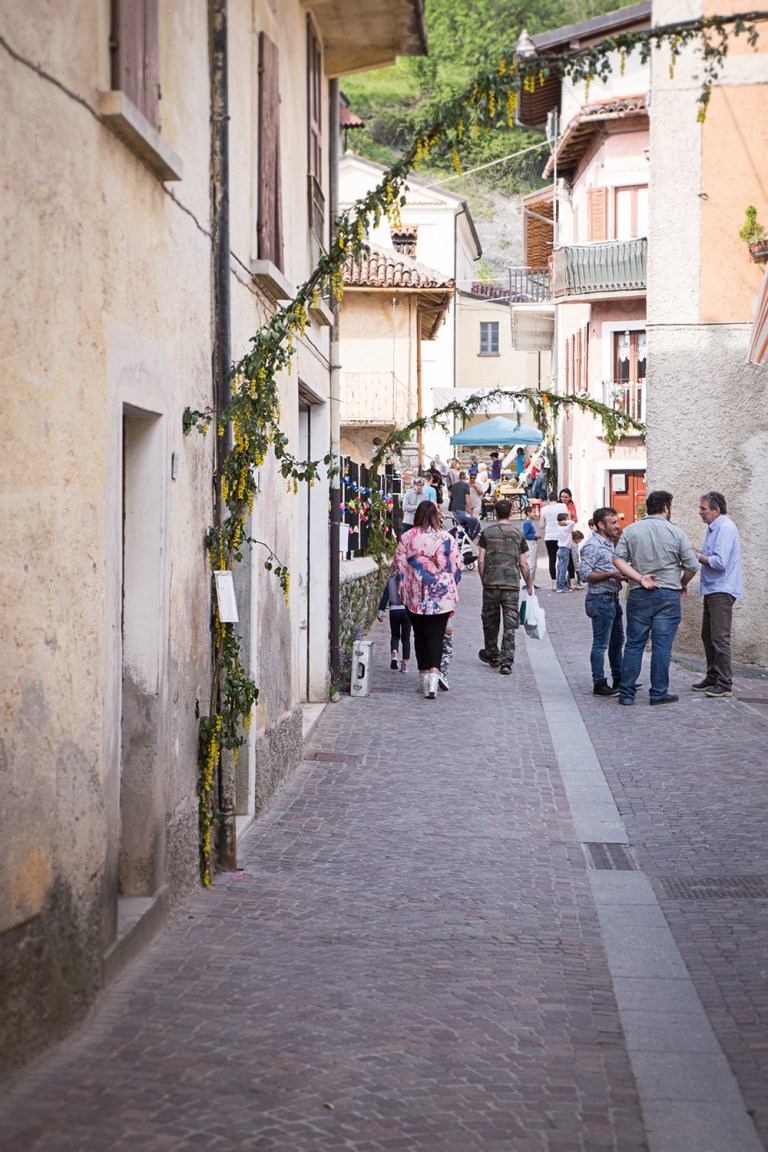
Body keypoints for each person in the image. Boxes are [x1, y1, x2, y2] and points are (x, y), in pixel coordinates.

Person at [612, 489, 699, 706]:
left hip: (640, 593)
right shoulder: (676, 532)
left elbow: (617, 559)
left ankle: (627, 693)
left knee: (634, 645)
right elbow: (692, 565)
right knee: (662, 647)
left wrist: (640, 577)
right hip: (668, 593)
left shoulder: (631, 530)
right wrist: (683, 584)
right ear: (666, 507)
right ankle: (658, 693)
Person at [394, 500, 462, 699]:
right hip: (442, 594)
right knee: (436, 635)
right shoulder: (446, 537)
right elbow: (457, 565)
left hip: (415, 594)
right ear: (436, 517)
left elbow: (399, 564)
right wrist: (450, 583)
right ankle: (434, 676)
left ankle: (424, 678)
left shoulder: (408, 536)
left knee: (420, 634)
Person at [691, 490, 743, 698]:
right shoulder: (715, 528)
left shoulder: (724, 528)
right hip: (713, 589)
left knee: (720, 638)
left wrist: (695, 555)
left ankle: (725, 682)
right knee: (708, 635)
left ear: (716, 510)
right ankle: (712, 677)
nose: (700, 512)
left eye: (703, 509)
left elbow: (719, 562)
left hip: (721, 589)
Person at [477, 500, 535, 674]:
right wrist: (529, 584)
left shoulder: (487, 533)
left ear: (495, 512)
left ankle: (492, 653)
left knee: (490, 621)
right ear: (511, 512)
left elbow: (481, 560)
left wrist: (484, 579)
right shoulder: (517, 534)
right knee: (510, 624)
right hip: (511, 585)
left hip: (491, 583)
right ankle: (506, 661)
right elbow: (523, 563)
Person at [579, 507, 626, 696]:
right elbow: (585, 574)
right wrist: (611, 574)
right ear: (600, 525)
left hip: (613, 598)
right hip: (600, 599)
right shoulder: (593, 545)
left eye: (617, 521)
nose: (617, 525)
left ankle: (619, 679)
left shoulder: (611, 543)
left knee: (618, 641)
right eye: (613, 522)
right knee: (600, 644)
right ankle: (599, 682)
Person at [378, 568, 411, 673]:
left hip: (394, 611)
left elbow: (385, 596)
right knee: (406, 638)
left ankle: (394, 654)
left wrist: (381, 612)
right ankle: (404, 665)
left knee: (395, 635)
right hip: (407, 611)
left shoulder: (392, 579)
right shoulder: (410, 579)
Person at [540, 491, 569, 589]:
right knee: (562, 559)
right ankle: (562, 581)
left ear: (548, 500)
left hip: (549, 537)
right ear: (557, 499)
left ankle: (553, 583)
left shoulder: (544, 509)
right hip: (561, 536)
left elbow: (541, 525)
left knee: (552, 559)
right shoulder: (562, 507)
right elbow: (568, 520)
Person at [450, 471, 480, 539]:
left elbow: (449, 495)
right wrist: (468, 508)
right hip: (461, 506)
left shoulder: (454, 485)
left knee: (456, 521)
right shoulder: (466, 486)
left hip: (454, 506)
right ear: (465, 478)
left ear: (459, 477)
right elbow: (467, 498)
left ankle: (455, 535)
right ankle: (461, 537)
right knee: (462, 523)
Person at [555, 512, 575, 591]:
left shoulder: (558, 527)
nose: (569, 520)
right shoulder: (567, 528)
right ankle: (561, 586)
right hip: (565, 549)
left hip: (560, 548)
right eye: (567, 518)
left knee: (560, 568)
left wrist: (561, 522)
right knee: (563, 569)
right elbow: (572, 523)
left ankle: (559, 585)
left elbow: (557, 522)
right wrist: (565, 522)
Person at [522, 505, 540, 585]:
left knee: (533, 564)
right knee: (531, 564)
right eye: (533, 512)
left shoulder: (529, 522)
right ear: (528, 513)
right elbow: (525, 535)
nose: (535, 514)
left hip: (533, 542)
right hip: (530, 543)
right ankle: (528, 583)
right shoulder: (527, 523)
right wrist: (535, 536)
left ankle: (531, 582)